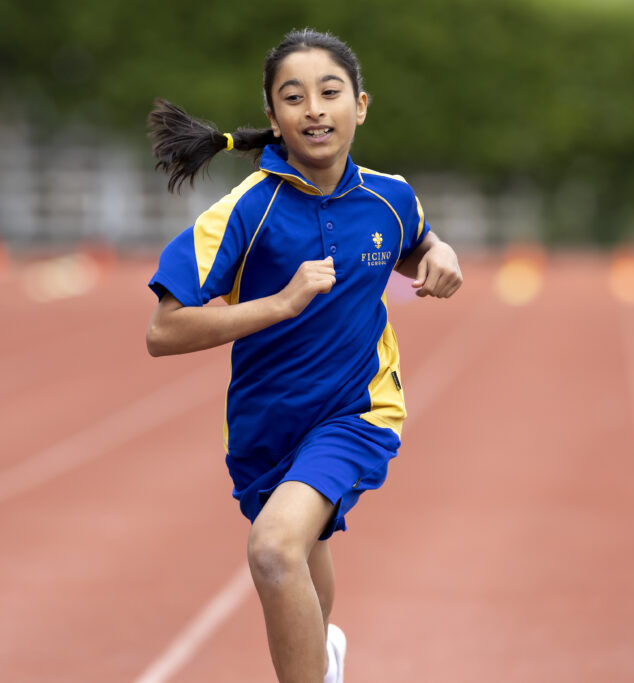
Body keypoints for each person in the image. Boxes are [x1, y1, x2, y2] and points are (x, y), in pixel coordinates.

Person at [145, 28, 462, 683]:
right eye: (294, 97)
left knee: (273, 548)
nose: (314, 108)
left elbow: (415, 241)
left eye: (330, 92)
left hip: (358, 408)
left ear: (361, 105)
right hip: (266, 425)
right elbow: (163, 329)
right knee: (302, 551)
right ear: (273, 118)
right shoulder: (244, 212)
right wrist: (281, 304)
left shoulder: (390, 197)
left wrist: (440, 255)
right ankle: (324, 657)